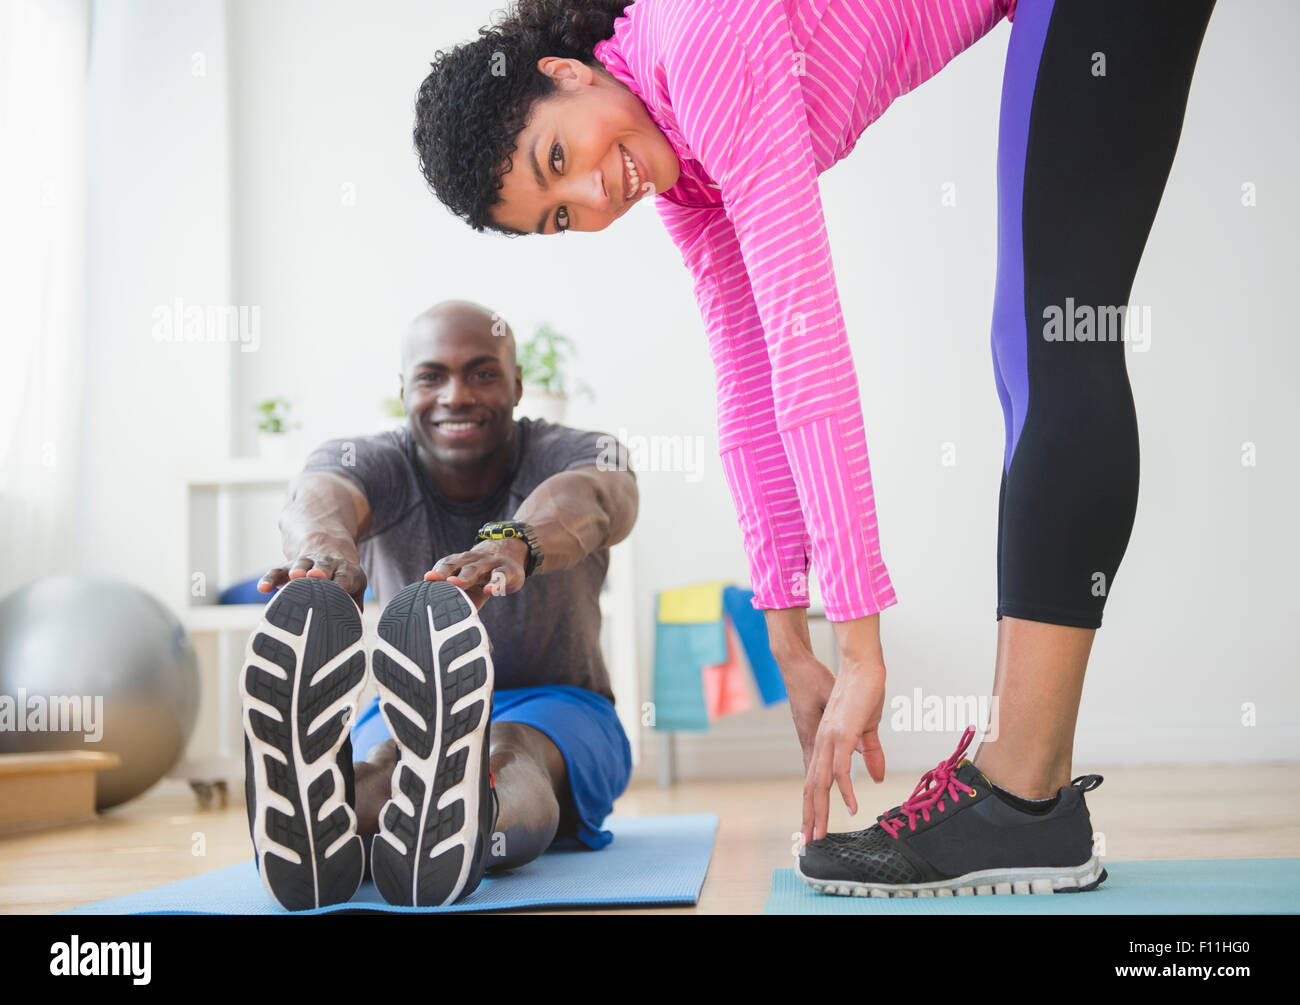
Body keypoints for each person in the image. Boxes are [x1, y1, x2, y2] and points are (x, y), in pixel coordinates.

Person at [411, 0, 1216, 896]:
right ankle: (1029, 796)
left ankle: (1022, 798)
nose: (597, 196)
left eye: (559, 158)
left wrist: (861, 640)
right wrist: (788, 631)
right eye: (560, 215)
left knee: (1050, 338)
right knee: (1038, 339)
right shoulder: (676, 157)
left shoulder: (699, 43)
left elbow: (807, 345)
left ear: (566, 74)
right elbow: (750, 382)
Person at [241, 299, 637, 909]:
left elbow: (596, 495)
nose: (456, 394)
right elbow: (319, 497)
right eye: (432, 376)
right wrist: (322, 557)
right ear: (403, 390)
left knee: (509, 746)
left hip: (562, 703)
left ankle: (469, 817)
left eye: (482, 373)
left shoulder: (576, 450)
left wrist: (515, 543)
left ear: (518, 385)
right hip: (408, 699)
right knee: (386, 759)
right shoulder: (371, 461)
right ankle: (321, 815)